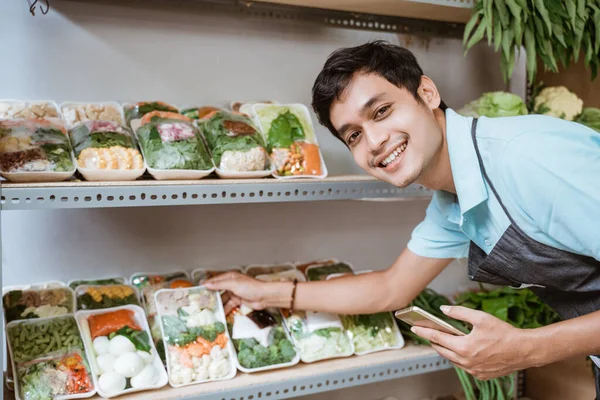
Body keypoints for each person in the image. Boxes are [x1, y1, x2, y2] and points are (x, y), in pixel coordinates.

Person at [206, 41, 600, 393]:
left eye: (381, 111)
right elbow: (390, 289)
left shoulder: (526, 159)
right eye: (354, 136)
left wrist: (529, 349)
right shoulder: (452, 200)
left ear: (426, 93)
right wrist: (266, 292)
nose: (374, 143)